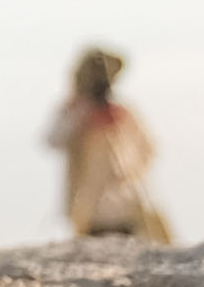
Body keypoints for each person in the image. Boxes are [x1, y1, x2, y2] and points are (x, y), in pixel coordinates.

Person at [48, 45, 173, 242]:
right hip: (88, 209)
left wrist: (128, 168)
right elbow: (52, 140)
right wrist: (81, 117)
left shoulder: (123, 113)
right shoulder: (74, 111)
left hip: (127, 204)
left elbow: (148, 148)